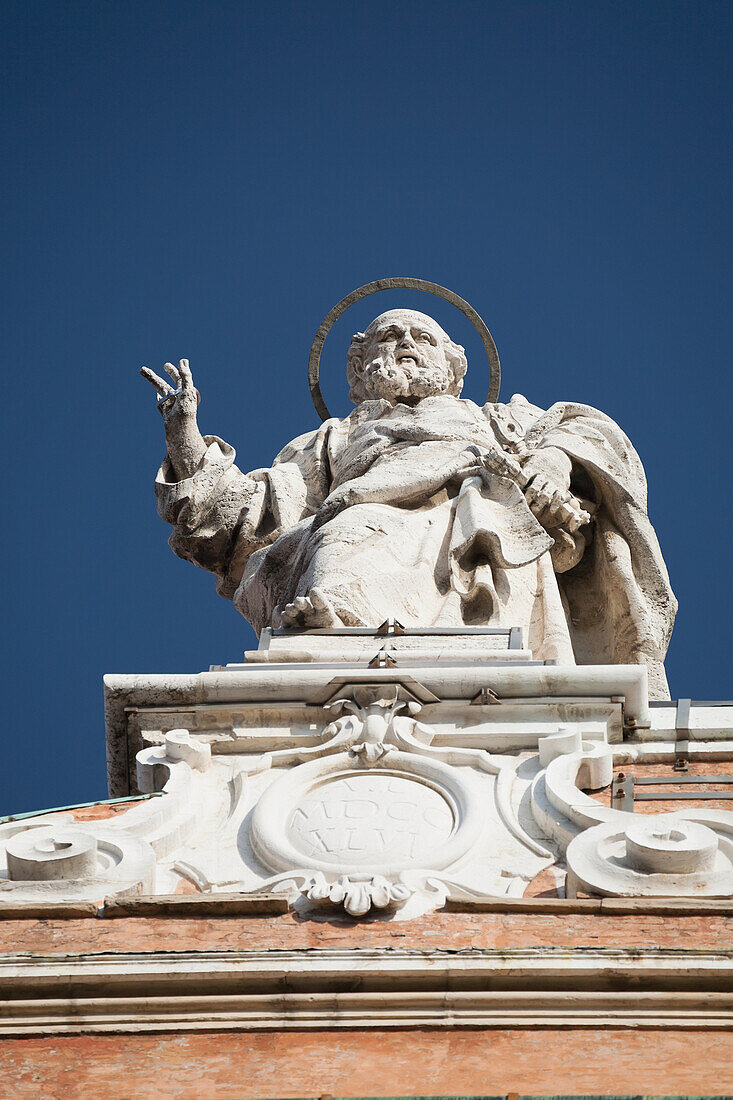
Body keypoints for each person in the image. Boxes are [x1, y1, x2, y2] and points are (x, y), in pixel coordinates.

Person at [142, 308, 676, 698]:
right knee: (343, 534)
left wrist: (554, 462)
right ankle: (337, 626)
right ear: (359, 362)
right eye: (388, 336)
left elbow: (589, 431)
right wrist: (184, 436)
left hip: (482, 523)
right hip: (362, 515)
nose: (405, 344)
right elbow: (246, 514)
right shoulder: (333, 438)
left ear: (452, 362)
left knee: (463, 532)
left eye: (422, 336)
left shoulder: (500, 420)